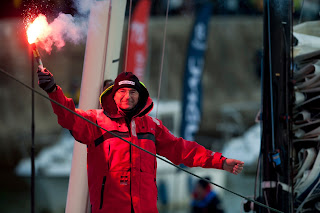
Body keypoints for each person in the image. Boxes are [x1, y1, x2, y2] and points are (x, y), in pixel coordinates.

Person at [37, 68, 244, 213]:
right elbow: (68, 117)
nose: (128, 96)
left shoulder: (152, 126)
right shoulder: (95, 120)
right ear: (113, 96)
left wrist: (221, 161)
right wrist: (53, 90)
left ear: (140, 95)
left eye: (133, 91)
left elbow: (182, 150)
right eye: (122, 91)